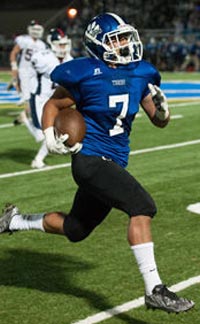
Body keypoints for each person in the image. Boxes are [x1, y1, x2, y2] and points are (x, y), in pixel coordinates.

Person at [0, 13, 194, 313]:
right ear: (98, 43)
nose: (125, 43)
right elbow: (53, 104)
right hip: (90, 160)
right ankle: (155, 289)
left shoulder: (140, 73)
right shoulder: (85, 73)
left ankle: (12, 221)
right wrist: (50, 135)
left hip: (113, 161)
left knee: (76, 229)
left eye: (126, 37)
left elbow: (157, 120)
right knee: (143, 207)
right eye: (117, 39)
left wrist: (163, 113)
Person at [29, 28, 73, 169]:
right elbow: (33, 67)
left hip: (57, 100)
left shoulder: (69, 59)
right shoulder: (44, 57)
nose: (63, 47)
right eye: (60, 44)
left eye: (65, 44)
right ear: (52, 44)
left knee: (55, 131)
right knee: (44, 135)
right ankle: (26, 120)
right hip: (41, 99)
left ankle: (38, 160)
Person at [9, 20, 46, 142]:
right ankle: (26, 117)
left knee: (35, 99)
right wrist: (14, 69)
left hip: (35, 74)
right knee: (31, 100)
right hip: (24, 72)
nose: (36, 32)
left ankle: (24, 116)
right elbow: (14, 53)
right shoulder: (24, 40)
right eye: (34, 29)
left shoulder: (41, 44)